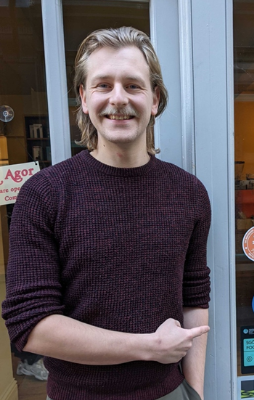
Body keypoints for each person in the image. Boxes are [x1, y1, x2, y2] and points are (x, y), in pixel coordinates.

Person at [2, 27, 211, 400]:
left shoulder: (189, 193)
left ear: (155, 99)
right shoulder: (44, 194)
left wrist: (194, 392)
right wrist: (148, 346)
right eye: (103, 85)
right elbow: (31, 326)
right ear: (84, 98)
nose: (118, 98)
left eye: (133, 85)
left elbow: (193, 299)